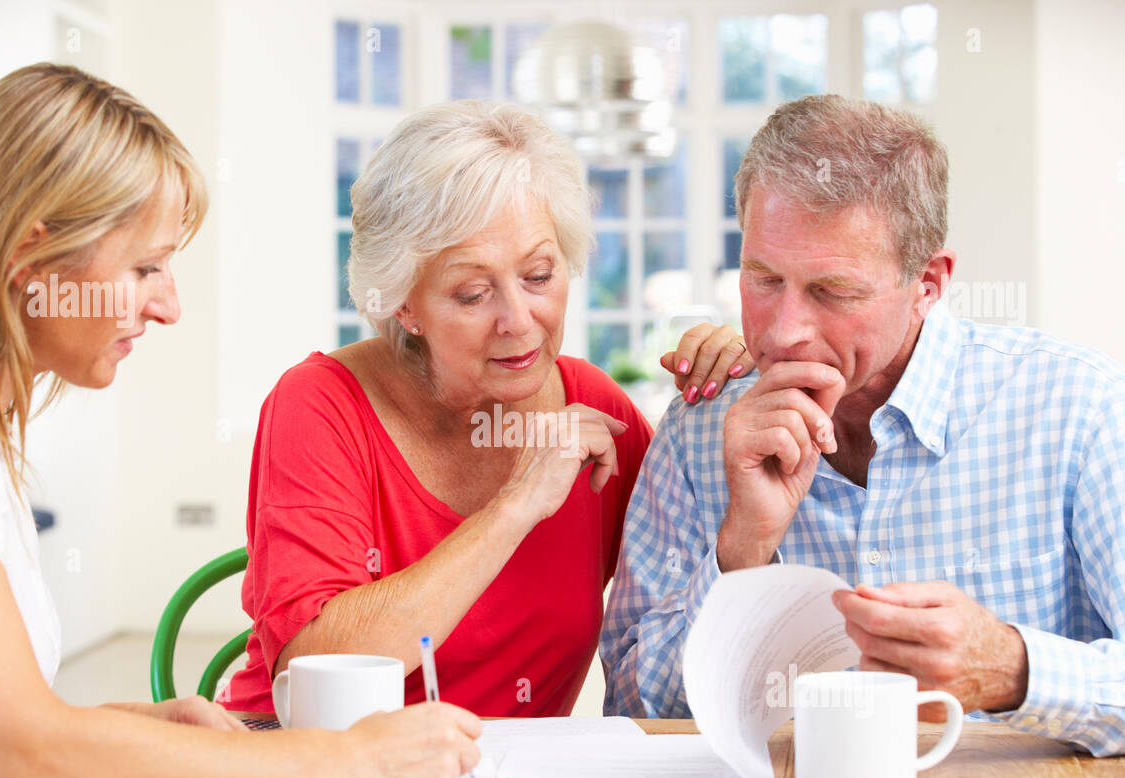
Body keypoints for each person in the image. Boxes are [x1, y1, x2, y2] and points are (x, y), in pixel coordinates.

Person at [0, 63, 483, 778]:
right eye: (143, 267)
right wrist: (355, 762)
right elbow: (25, 762)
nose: (166, 305)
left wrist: (128, 728)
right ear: (34, 248)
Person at [600, 94, 1125, 756]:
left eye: (833, 292)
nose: (785, 332)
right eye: (763, 280)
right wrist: (741, 550)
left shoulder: (1081, 410)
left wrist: (1018, 671)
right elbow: (632, 709)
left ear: (929, 282)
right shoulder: (700, 429)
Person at [222, 100, 753, 718]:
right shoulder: (321, 405)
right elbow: (316, 668)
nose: (519, 321)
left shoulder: (594, 408)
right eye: (473, 293)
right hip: (314, 766)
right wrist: (515, 507)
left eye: (538, 275)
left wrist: (737, 379)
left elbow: (700, 577)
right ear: (403, 304)